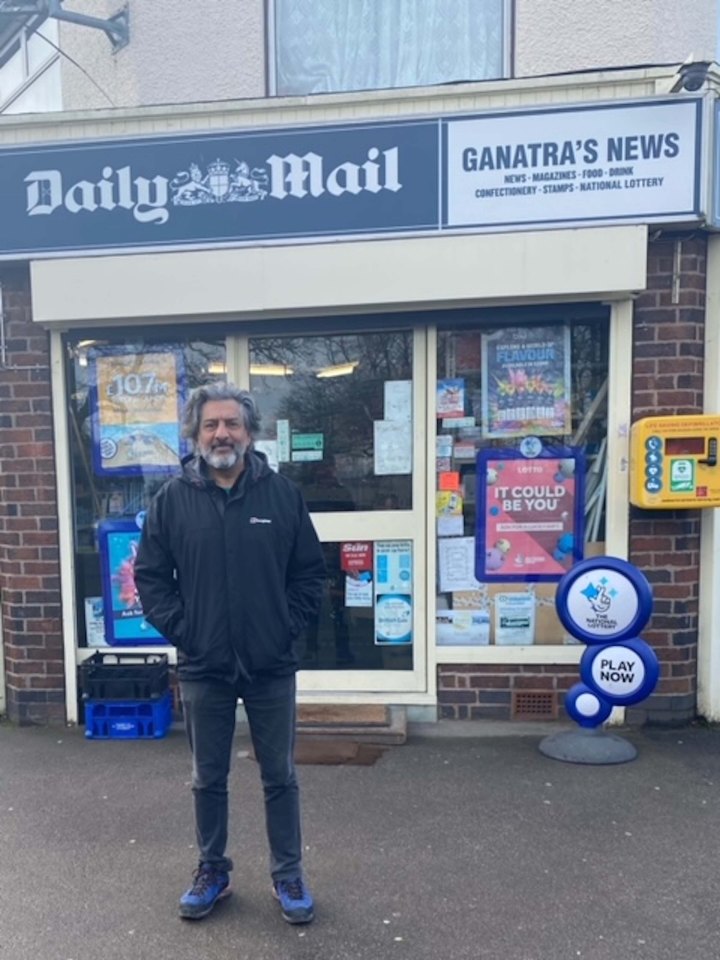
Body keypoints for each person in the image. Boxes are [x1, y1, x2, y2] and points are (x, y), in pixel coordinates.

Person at [134, 382, 325, 926]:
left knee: (280, 776)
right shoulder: (171, 501)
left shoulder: (282, 496)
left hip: (270, 666)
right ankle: (212, 869)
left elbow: (309, 575)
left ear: (249, 433)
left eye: (232, 424)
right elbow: (150, 579)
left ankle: (288, 874)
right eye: (211, 425)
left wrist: (283, 630)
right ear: (195, 434)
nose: (222, 433)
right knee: (206, 777)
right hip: (204, 665)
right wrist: (187, 632)